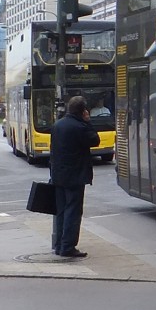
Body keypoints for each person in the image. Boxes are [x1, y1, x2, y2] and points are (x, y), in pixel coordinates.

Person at [49, 95, 100, 258]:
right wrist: (88, 122)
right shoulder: (80, 127)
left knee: (61, 211)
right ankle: (68, 246)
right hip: (75, 176)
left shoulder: (58, 125)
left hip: (58, 175)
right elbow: (95, 140)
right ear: (83, 111)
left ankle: (59, 245)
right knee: (73, 211)